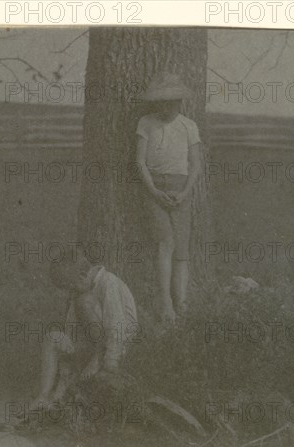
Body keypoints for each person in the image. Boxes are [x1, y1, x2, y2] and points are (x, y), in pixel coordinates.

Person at [30, 250, 138, 409]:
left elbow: (117, 326)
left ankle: (97, 358)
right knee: (51, 338)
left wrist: (110, 361)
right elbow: (72, 323)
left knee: (84, 301)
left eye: (72, 286)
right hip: (90, 343)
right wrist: (68, 350)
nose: (71, 291)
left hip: (114, 346)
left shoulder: (109, 283)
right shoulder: (81, 289)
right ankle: (43, 396)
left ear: (82, 275)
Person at [136, 72, 202, 324]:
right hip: (154, 188)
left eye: (171, 102)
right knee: (165, 242)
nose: (166, 107)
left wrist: (184, 192)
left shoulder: (188, 126)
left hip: (180, 188)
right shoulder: (146, 123)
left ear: (179, 102)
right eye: (161, 102)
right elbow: (139, 161)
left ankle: (182, 304)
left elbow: (195, 165)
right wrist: (153, 191)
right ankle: (165, 304)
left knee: (181, 250)